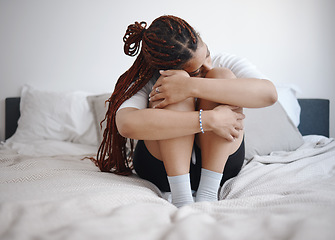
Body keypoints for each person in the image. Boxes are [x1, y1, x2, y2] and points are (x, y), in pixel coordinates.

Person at [95, 15, 277, 208]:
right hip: (161, 169)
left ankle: (208, 193)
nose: (208, 65)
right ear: (164, 69)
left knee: (221, 75)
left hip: (222, 167)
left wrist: (191, 85)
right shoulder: (148, 78)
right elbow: (126, 124)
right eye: (196, 71)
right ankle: (182, 197)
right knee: (169, 91)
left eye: (207, 53)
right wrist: (209, 119)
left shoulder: (222, 62)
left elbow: (270, 94)